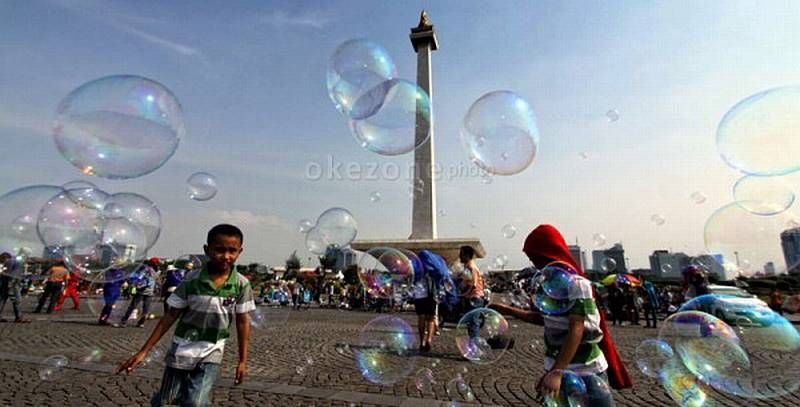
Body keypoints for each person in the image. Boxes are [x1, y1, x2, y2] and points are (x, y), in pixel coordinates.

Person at [490, 225, 632, 406]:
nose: (535, 263)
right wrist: (507, 309)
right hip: (558, 367)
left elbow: (576, 328)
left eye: (536, 258)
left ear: (549, 254)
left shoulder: (577, 284)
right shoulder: (548, 286)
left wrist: (556, 372)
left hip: (586, 369)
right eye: (531, 259)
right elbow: (545, 319)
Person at [117, 224, 254, 406]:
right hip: (182, 348)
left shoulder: (241, 284)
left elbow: (243, 322)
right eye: (220, 250)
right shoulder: (191, 279)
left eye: (232, 251)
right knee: (165, 401)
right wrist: (144, 351)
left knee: (196, 403)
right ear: (207, 249)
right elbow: (171, 315)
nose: (226, 256)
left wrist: (243, 360)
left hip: (212, 350)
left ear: (240, 252)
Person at [117, 258, 158, 328]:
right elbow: (154, 282)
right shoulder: (155, 272)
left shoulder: (146, 270)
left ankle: (123, 321)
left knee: (132, 306)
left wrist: (136, 284)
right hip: (150, 292)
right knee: (146, 308)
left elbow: (139, 278)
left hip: (141, 291)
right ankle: (141, 323)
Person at [412, 251, 439, 353]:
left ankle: (422, 342)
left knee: (421, 318)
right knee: (431, 319)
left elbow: (411, 279)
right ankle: (429, 340)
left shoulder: (416, 267)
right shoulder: (433, 266)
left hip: (419, 295)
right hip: (432, 295)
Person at [0, 253, 29, 323]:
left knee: (2, 300)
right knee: (17, 300)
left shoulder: (9, 262)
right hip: (13, 284)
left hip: (6, 283)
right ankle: (19, 317)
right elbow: (12, 275)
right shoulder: (12, 262)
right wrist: (10, 285)